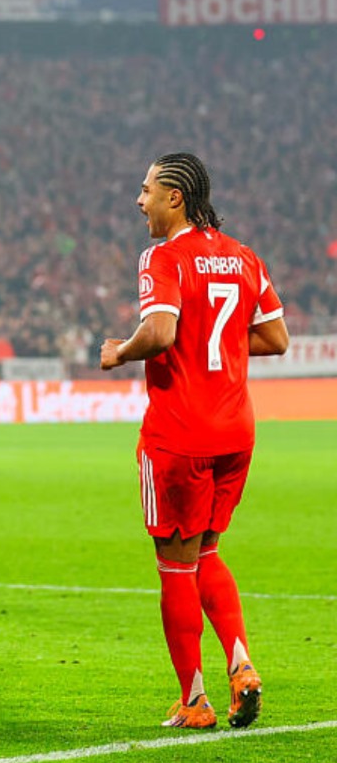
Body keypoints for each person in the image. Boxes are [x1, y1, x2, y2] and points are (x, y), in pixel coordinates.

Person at [101, 152, 288, 730]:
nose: (140, 201)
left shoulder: (163, 256)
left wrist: (120, 352)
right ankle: (242, 664)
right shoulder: (243, 256)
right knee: (207, 551)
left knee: (175, 565)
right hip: (236, 431)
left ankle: (195, 700)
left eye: (147, 190)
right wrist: (219, 342)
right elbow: (276, 338)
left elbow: (159, 332)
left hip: (180, 432)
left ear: (174, 197)